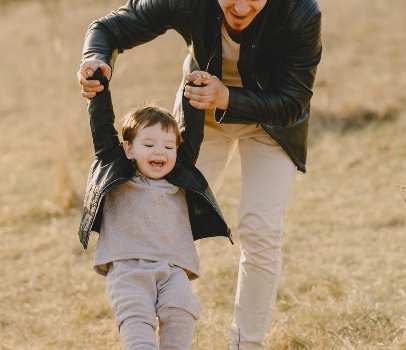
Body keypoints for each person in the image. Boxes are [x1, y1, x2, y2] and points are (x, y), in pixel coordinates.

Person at [77, 1, 322, 349]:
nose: (240, 5)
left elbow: (293, 100)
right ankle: (162, 335)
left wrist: (227, 96)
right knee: (172, 224)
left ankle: (247, 343)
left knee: (261, 231)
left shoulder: (301, 12)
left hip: (271, 124)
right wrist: (95, 59)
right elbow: (110, 27)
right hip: (199, 119)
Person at [78, 67, 231, 349]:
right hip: (127, 269)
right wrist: (97, 84)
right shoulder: (118, 171)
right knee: (137, 321)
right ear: (128, 149)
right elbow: (101, 126)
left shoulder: (179, 174)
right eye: (148, 144)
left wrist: (194, 87)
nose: (159, 152)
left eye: (168, 146)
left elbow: (192, 133)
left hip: (173, 269)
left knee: (182, 310)